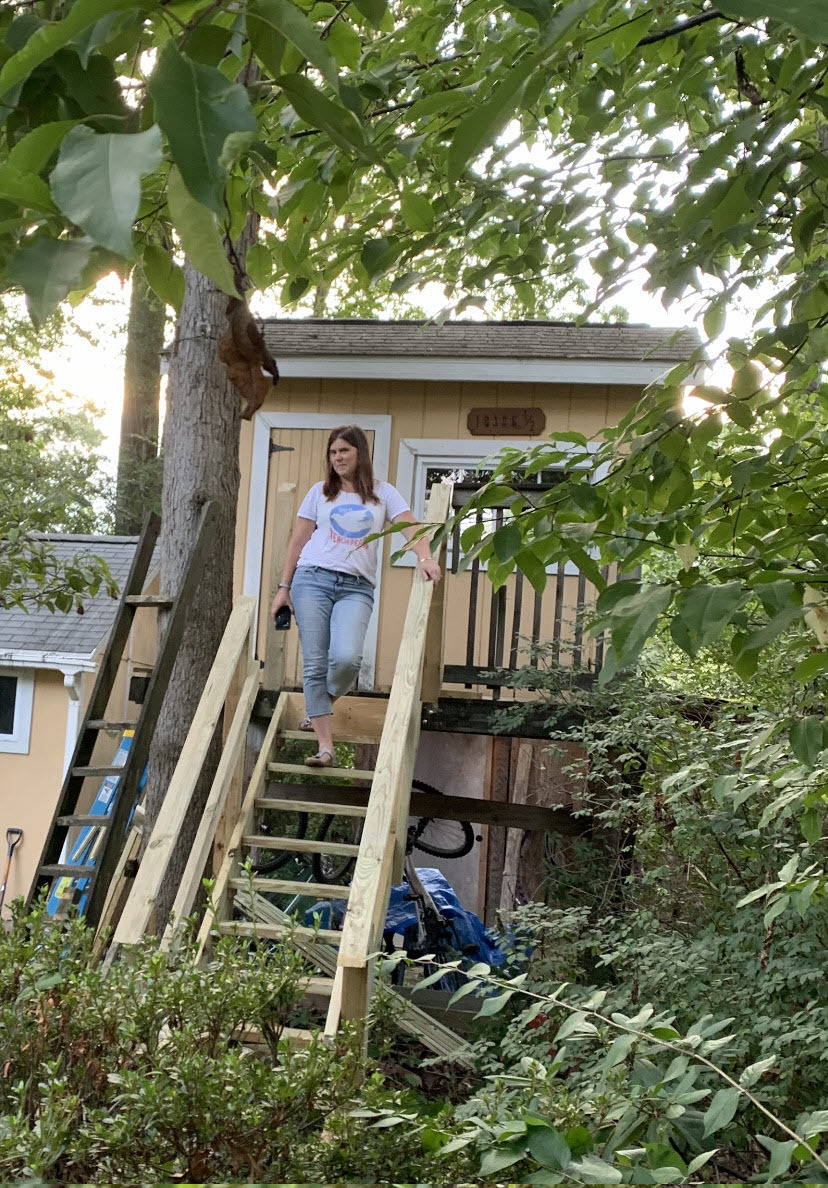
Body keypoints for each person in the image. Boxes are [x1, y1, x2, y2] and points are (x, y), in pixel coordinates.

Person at [270, 425, 441, 767]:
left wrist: (425, 556)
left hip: (356, 587)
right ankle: (325, 746)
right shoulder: (319, 492)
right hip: (311, 580)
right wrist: (283, 588)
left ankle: (320, 704)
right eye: (333, 453)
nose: (338, 458)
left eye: (344, 451)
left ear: (359, 453)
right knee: (315, 663)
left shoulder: (382, 494)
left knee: (348, 659)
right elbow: (298, 541)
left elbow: (411, 526)